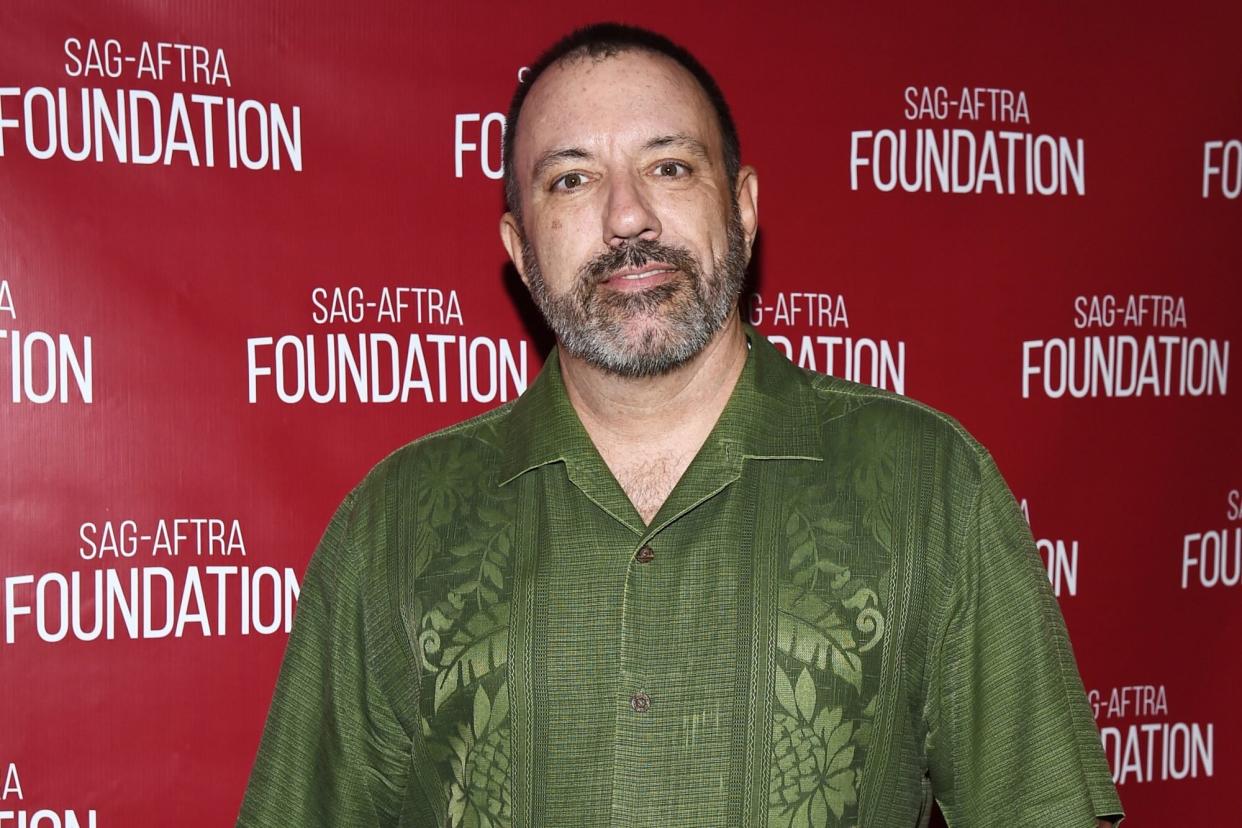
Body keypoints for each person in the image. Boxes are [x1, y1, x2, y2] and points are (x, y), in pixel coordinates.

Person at [238, 23, 1125, 828]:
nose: (628, 217)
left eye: (669, 166)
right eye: (573, 178)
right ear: (519, 248)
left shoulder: (931, 486)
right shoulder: (395, 523)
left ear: (740, 207)